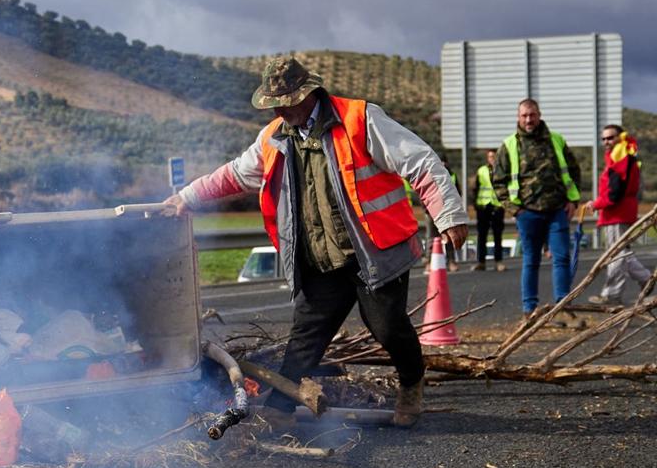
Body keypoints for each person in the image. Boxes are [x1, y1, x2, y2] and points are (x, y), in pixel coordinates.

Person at [166, 57, 466, 430]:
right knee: (305, 338)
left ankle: (411, 384)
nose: (279, 109)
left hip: (373, 252)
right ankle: (281, 410)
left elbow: (419, 161)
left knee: (388, 329)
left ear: (308, 94)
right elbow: (234, 175)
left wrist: (449, 214)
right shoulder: (274, 137)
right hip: (321, 260)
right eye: (274, 103)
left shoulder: (360, 119)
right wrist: (188, 196)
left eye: (286, 101)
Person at [492, 99, 581, 316]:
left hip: (557, 211)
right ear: (518, 117)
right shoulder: (510, 145)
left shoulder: (556, 140)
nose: (528, 120)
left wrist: (573, 201)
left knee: (561, 258)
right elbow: (499, 182)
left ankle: (563, 306)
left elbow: (574, 170)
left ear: (539, 115)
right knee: (531, 261)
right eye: (524, 116)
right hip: (527, 213)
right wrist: (515, 209)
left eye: (532, 115)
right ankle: (529, 310)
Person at [585, 125, 652, 305]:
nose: (606, 142)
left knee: (616, 255)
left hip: (617, 214)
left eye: (610, 138)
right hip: (621, 213)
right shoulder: (623, 157)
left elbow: (614, 194)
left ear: (620, 138)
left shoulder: (620, 159)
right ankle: (647, 280)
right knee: (623, 254)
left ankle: (611, 295)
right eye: (604, 139)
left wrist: (596, 204)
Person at [471, 149, 506, 272]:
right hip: (483, 206)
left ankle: (498, 261)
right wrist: (475, 204)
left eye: (494, 156)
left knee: (497, 235)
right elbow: (475, 188)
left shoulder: (503, 170)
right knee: (482, 235)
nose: (492, 159)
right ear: (487, 158)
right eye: (490, 156)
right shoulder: (481, 170)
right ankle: (481, 262)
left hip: (497, 206)